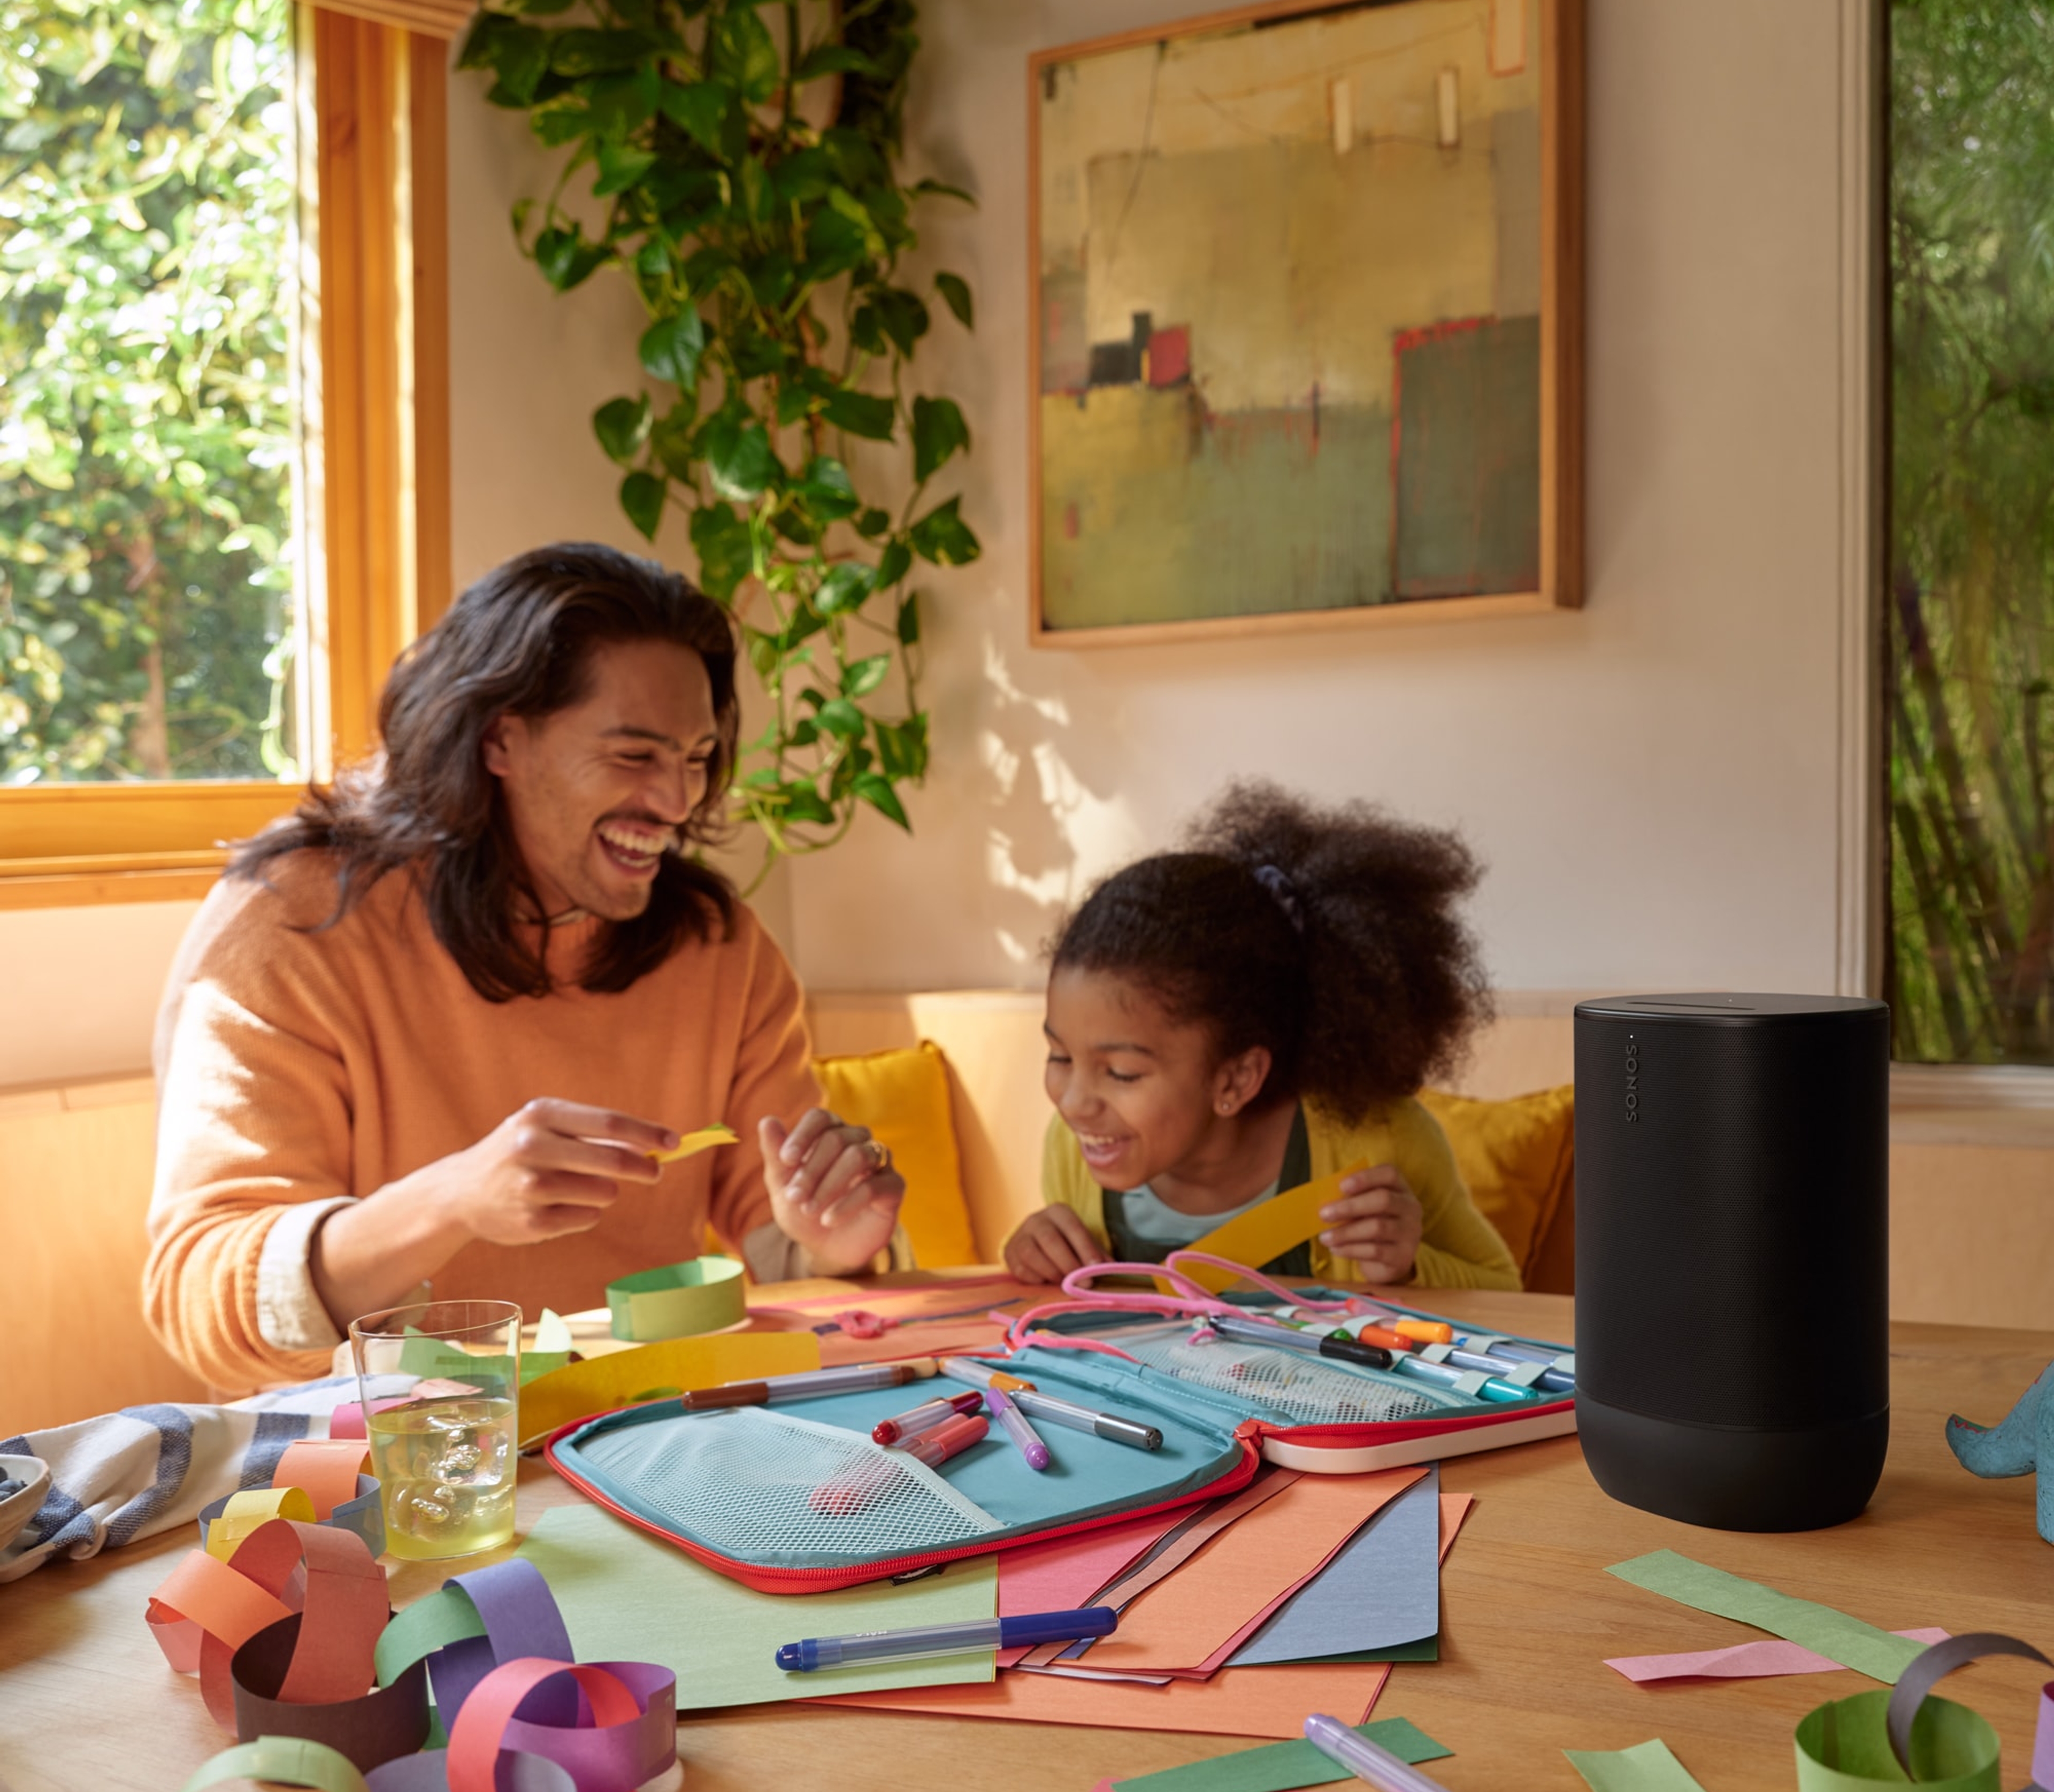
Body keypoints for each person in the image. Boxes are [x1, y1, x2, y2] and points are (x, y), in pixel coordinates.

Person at [147, 543, 903, 1396]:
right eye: (634, 755)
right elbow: (201, 1292)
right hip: (381, 1468)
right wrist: (454, 1201)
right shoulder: (290, 922)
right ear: (501, 739)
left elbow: (780, 1240)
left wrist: (837, 1241)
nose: (678, 801)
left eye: (694, 758)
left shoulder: (716, 944)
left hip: (648, 1435)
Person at [1003, 782, 1519, 1291]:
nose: (1073, 1104)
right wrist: (1037, 1255)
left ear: (1236, 1078)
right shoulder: (1076, 1149)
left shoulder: (1384, 1141)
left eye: (1121, 1073)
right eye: (1060, 1056)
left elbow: (1506, 1291)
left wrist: (1410, 1268)